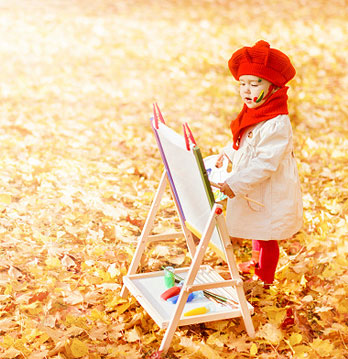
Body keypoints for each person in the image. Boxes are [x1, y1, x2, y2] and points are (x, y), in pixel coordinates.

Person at [216, 40, 303, 286]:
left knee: (267, 234)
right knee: (257, 227)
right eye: (243, 83)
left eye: (255, 84)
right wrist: (227, 153)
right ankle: (256, 264)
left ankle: (265, 278)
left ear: (274, 87)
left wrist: (235, 182)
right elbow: (243, 143)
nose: (247, 90)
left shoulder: (276, 122)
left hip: (269, 187)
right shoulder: (255, 112)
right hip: (255, 186)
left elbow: (266, 162)